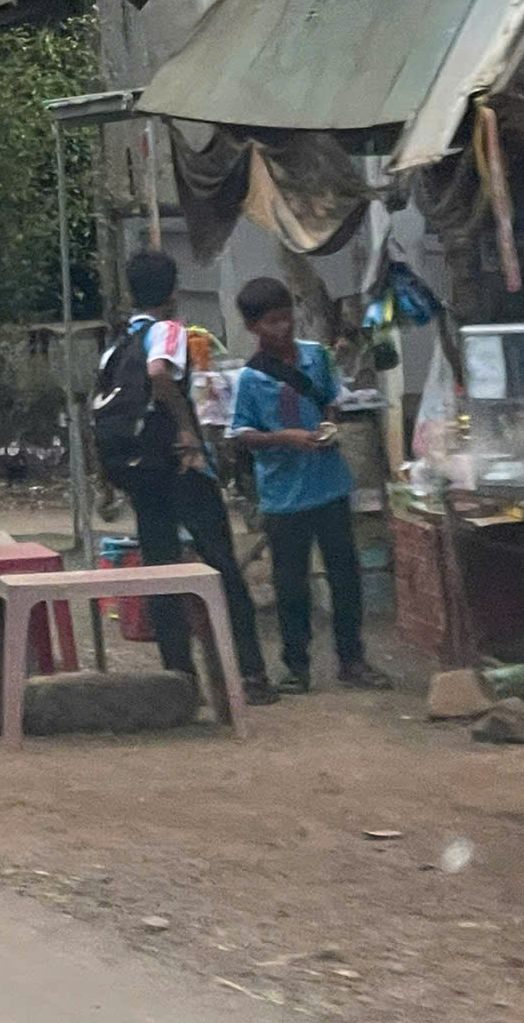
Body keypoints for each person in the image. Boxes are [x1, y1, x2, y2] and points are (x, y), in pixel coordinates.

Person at [108, 249, 277, 708]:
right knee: (220, 562)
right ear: (173, 292)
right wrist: (185, 426)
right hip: (179, 463)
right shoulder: (167, 330)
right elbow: (159, 373)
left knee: (161, 567)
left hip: (141, 470)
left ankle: (178, 677)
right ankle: (250, 673)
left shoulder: (119, 339)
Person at [227, 276, 392, 694]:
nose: (283, 328)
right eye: (272, 322)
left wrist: (329, 424)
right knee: (291, 584)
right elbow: (242, 433)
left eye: (287, 318)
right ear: (253, 327)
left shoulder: (317, 357)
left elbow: (331, 398)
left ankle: (352, 659)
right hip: (283, 494)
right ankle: (296, 666)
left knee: (345, 577)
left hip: (330, 484)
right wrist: (287, 438)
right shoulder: (250, 379)